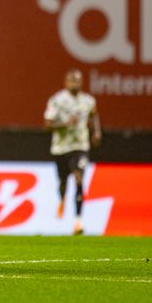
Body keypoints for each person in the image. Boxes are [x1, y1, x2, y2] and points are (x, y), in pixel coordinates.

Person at [43, 69, 102, 235]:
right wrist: (65, 124)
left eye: (78, 81)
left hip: (81, 146)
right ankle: (62, 197)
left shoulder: (88, 101)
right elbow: (47, 125)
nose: (75, 84)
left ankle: (78, 221)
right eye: (72, 81)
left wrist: (97, 132)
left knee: (78, 178)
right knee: (63, 181)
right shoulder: (57, 101)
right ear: (66, 82)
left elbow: (94, 115)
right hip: (61, 148)